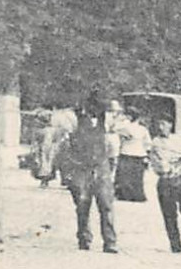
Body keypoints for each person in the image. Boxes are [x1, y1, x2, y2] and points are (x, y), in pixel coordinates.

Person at [59, 91, 118, 253]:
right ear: (89, 104)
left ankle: (110, 241)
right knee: (82, 204)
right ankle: (84, 238)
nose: (98, 110)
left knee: (106, 204)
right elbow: (64, 145)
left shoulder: (106, 119)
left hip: (101, 166)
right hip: (81, 167)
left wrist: (110, 164)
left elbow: (111, 142)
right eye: (96, 106)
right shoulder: (73, 118)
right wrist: (68, 171)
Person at [147, 116, 181, 255]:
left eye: (164, 124)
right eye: (158, 124)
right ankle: (176, 246)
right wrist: (170, 164)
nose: (161, 127)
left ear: (170, 125)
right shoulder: (154, 142)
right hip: (165, 181)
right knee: (169, 215)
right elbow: (158, 165)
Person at [111, 104, 149, 202]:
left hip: (127, 152)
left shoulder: (124, 126)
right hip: (138, 153)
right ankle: (136, 195)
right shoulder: (142, 129)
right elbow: (147, 143)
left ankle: (123, 194)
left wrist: (120, 119)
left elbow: (113, 128)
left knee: (124, 176)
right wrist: (146, 154)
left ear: (130, 117)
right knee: (136, 177)